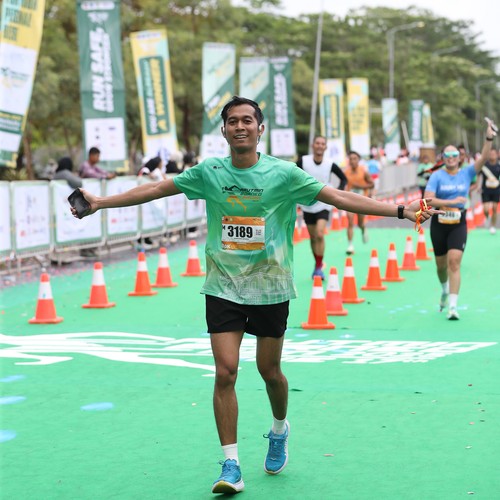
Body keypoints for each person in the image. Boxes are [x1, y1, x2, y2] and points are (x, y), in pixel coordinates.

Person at [72, 96, 436, 495]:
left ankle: (279, 428)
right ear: (224, 130)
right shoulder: (210, 172)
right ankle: (231, 464)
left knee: (270, 372)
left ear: (260, 129)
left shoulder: (284, 173)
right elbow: (158, 188)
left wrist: (399, 211)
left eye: (248, 120)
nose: (240, 126)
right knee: (225, 371)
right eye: (233, 121)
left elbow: (338, 198)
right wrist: (100, 202)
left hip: (270, 286)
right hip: (223, 286)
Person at [424, 119, 497, 320]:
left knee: (454, 262)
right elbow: (427, 200)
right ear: (442, 158)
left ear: (460, 157)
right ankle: (444, 289)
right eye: (447, 155)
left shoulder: (467, 173)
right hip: (439, 222)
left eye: (454, 155)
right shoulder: (437, 176)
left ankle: (453, 307)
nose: (451, 158)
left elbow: (484, 157)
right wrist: (451, 201)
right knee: (441, 266)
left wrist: (489, 137)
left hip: (459, 223)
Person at [297, 135, 347, 279]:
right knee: (313, 237)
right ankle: (317, 264)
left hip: (324, 203)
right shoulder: (303, 161)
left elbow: (343, 179)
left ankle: (319, 267)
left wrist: (337, 193)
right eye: (317, 143)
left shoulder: (330, 164)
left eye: (322, 144)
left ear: (325, 147)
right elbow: (291, 175)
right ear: (313, 145)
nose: (319, 146)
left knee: (319, 234)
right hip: (307, 204)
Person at [343, 151, 374, 255]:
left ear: (358, 160)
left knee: (360, 223)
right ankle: (350, 245)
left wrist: (359, 187)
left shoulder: (364, 171)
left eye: (355, 158)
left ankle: (363, 229)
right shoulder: (346, 172)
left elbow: (372, 184)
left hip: (361, 201)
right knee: (350, 221)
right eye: (350, 159)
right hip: (350, 201)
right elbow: (343, 185)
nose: (352, 161)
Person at [479, 147, 500, 234]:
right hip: (486, 190)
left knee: (495, 208)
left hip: (496, 190)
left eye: (494, 154)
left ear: (497, 155)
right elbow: (479, 176)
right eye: (490, 154)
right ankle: (488, 218)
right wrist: (478, 186)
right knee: (486, 209)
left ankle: (493, 226)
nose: (492, 155)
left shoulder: (499, 165)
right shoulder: (484, 166)